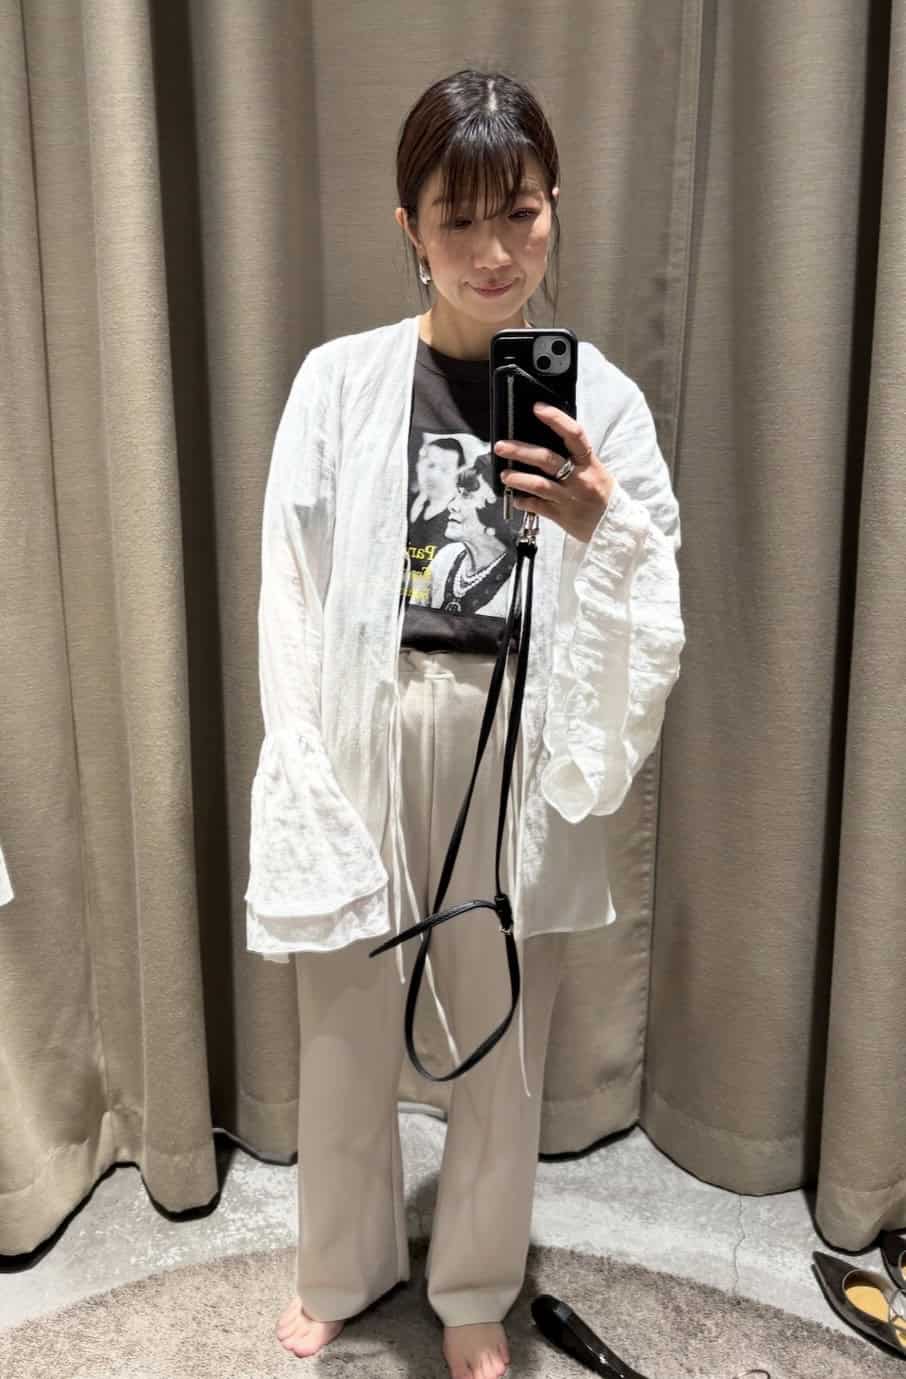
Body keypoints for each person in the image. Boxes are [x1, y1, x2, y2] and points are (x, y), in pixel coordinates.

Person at [244, 68, 686, 1379]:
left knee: (501, 1034)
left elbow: (651, 583)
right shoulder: (340, 383)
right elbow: (291, 581)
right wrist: (302, 753)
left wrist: (601, 524)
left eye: (522, 212)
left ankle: (478, 1283)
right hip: (368, 721)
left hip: (516, 737)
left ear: (555, 209)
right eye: (459, 219)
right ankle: (342, 1263)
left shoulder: (597, 399)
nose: (495, 251)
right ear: (410, 228)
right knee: (343, 1018)